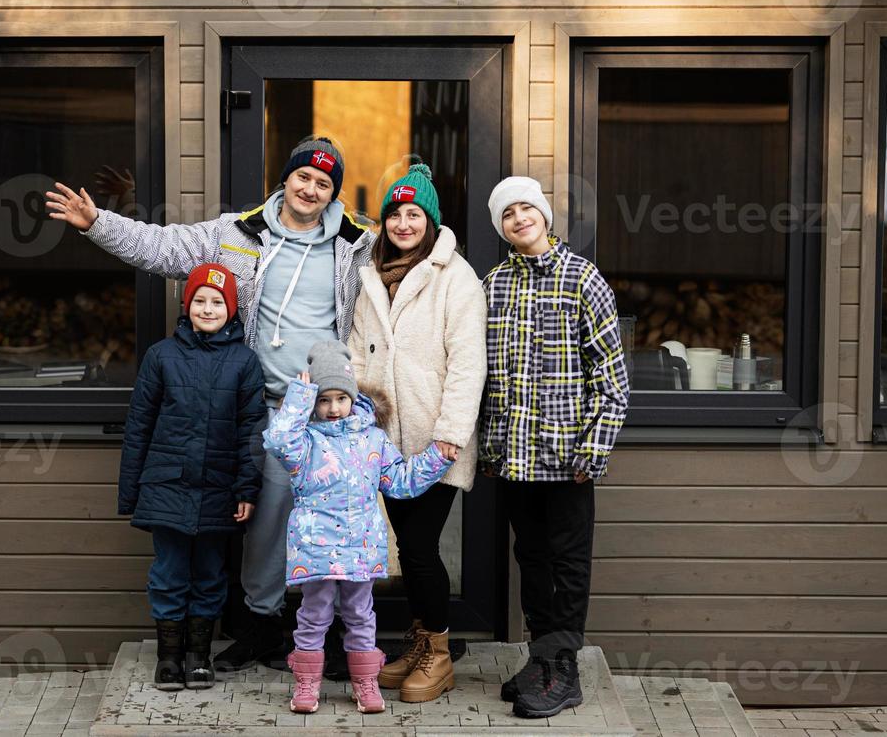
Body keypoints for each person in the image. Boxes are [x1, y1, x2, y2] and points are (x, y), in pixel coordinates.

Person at [47, 137, 375, 669]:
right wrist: (97, 223)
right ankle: (262, 625)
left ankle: (335, 633)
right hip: (261, 409)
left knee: (335, 519)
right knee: (266, 522)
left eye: (323, 183)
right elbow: (164, 247)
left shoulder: (358, 244)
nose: (311, 189)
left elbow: (413, 259)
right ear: (285, 179)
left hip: (327, 412)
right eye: (303, 177)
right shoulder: (236, 232)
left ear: (333, 193)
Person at [479, 176, 630, 719]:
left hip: (568, 461)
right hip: (514, 460)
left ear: (544, 215)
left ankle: (563, 668)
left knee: (568, 563)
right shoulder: (492, 283)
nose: (520, 219)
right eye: (508, 214)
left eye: (527, 208)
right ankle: (541, 659)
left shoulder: (582, 278)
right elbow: (483, 376)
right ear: (501, 227)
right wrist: (489, 448)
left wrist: (592, 452)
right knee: (531, 558)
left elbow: (611, 378)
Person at [348, 160, 486, 702]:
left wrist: (450, 434)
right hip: (384, 441)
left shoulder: (456, 278)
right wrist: (359, 424)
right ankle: (422, 640)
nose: (404, 224)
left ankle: (441, 655)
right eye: (395, 214)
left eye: (413, 214)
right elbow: (359, 355)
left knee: (422, 547)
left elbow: (468, 363)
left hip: (434, 441)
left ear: (429, 221)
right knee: (406, 547)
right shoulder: (370, 275)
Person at [263, 340, 453, 715]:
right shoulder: (304, 441)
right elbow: (277, 441)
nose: (333, 408)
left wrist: (435, 458)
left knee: (360, 615)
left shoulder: (373, 440)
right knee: (313, 615)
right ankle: (306, 684)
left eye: (340, 398)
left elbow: (401, 481)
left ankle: (365, 683)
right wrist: (298, 397)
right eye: (323, 400)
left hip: (359, 549)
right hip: (314, 550)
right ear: (313, 402)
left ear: (353, 398)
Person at [117, 263, 266, 690]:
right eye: (199, 300)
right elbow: (140, 425)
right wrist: (132, 492)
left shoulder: (244, 362)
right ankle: (169, 658)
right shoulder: (161, 356)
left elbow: (252, 432)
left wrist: (246, 488)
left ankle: (200, 656)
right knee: (169, 572)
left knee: (209, 573)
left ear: (232, 310)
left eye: (217, 302)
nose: (207, 307)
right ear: (187, 305)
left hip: (219, 490)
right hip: (166, 486)